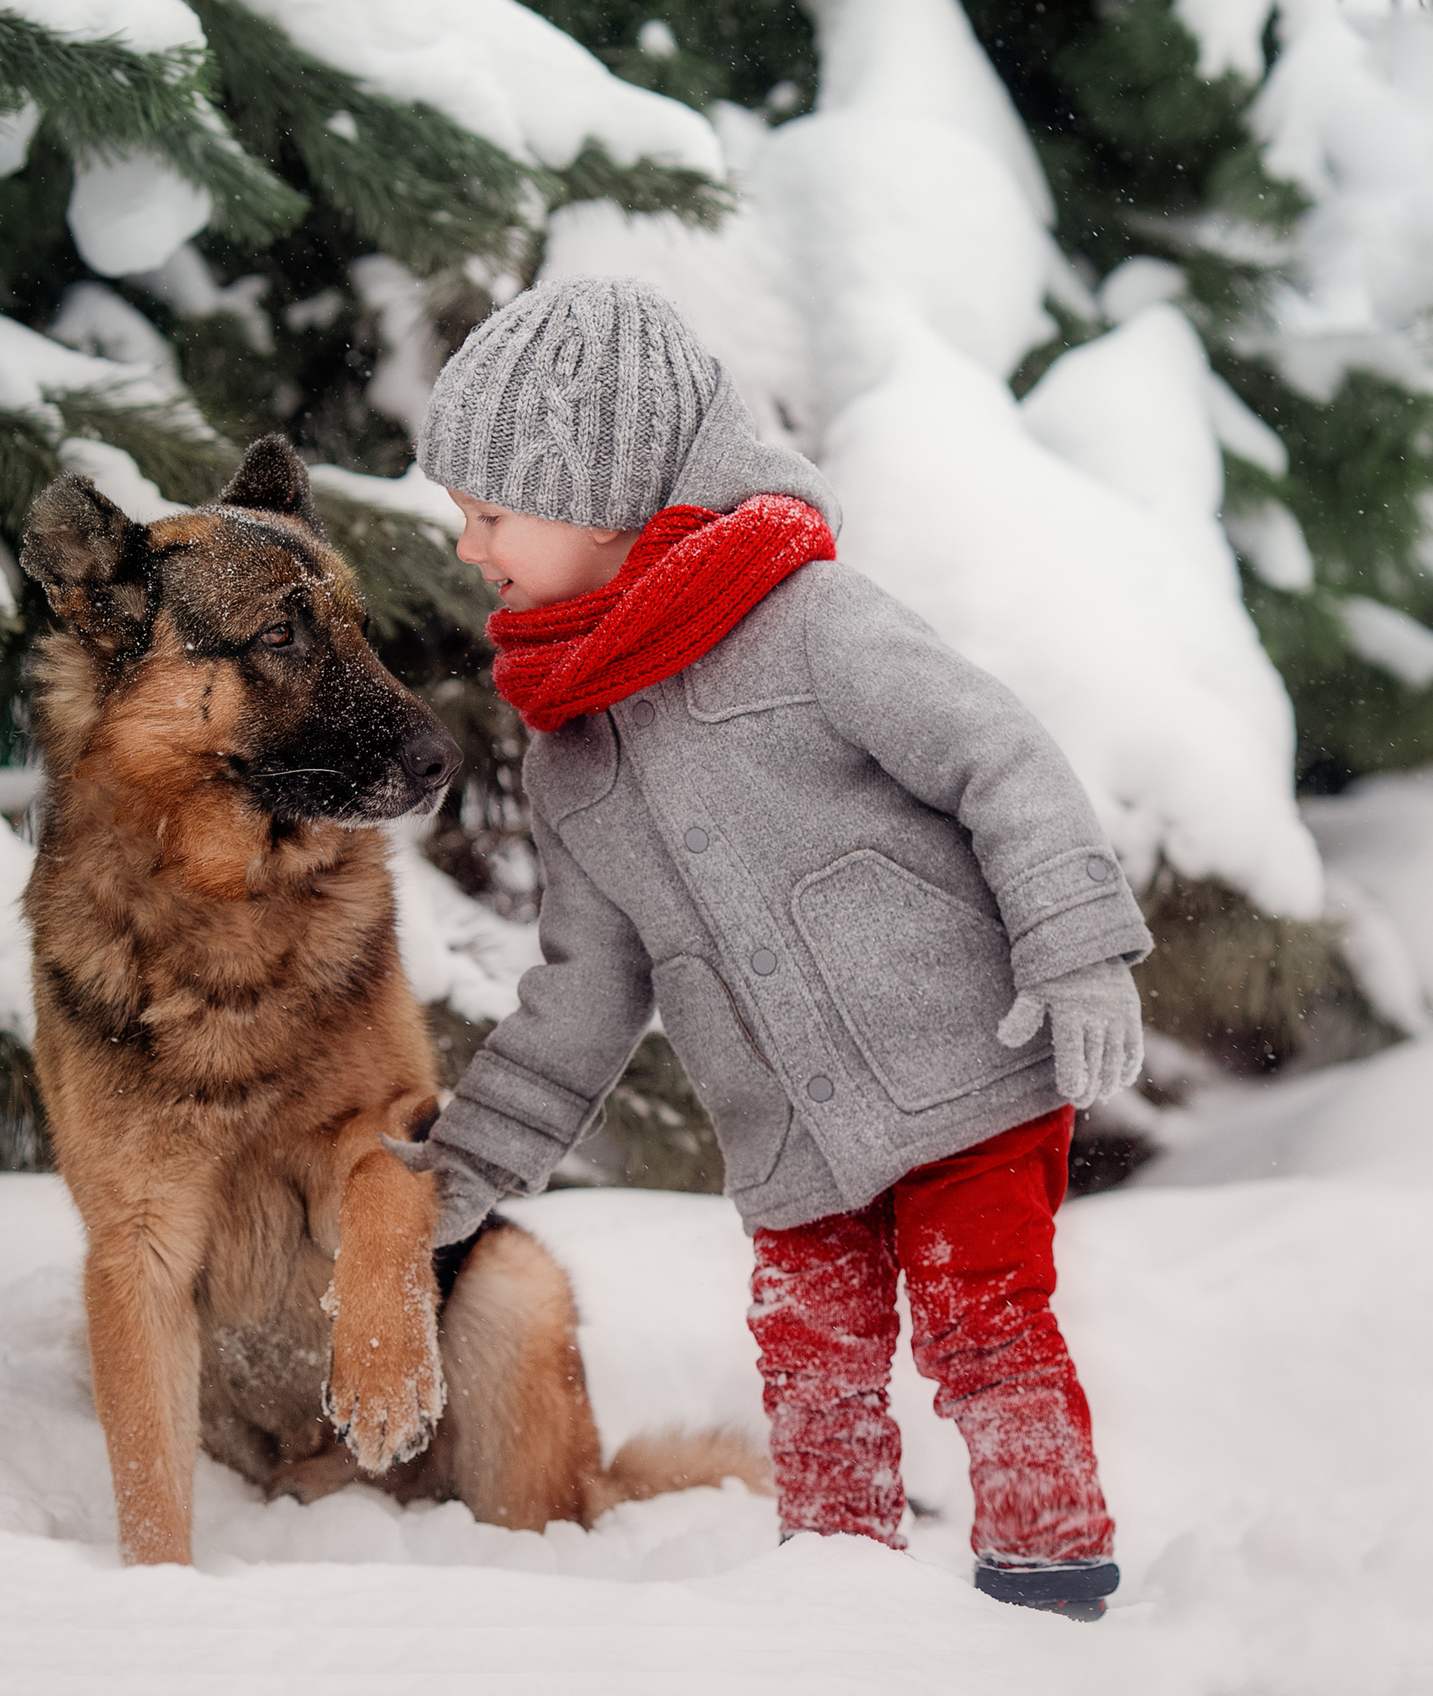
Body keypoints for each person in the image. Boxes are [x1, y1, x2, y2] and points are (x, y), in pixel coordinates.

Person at [394, 275, 1151, 1619]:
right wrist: (463, 1170)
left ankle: (1050, 1585)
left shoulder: (809, 626)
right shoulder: (575, 759)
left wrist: (1075, 946)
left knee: (984, 1323)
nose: (468, 545)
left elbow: (1000, 757)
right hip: (790, 1141)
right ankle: (840, 1600)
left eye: (492, 512)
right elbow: (583, 997)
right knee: (813, 1360)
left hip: (969, 1070)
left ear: (602, 490)